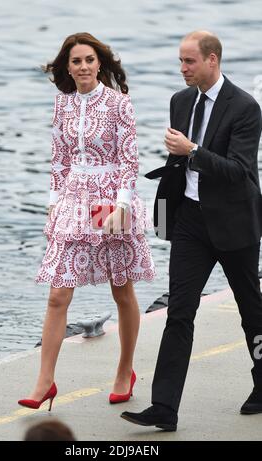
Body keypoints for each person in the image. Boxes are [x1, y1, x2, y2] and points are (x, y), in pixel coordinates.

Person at [121, 30, 262, 431]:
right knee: (179, 312)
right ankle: (164, 407)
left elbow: (239, 171)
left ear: (212, 60)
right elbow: (177, 163)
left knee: (252, 310)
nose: (182, 69)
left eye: (189, 62)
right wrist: (165, 212)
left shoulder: (245, 107)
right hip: (190, 223)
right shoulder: (180, 101)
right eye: (180, 61)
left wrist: (194, 152)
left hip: (235, 222)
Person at [18, 33, 155, 411]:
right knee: (59, 290)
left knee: (121, 289)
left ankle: (125, 370)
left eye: (89, 60)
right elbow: (59, 159)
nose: (83, 67)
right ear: (67, 66)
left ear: (100, 64)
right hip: (74, 197)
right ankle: (45, 380)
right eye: (76, 61)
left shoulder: (118, 103)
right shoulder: (62, 105)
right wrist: (52, 203)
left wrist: (121, 207)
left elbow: (129, 161)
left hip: (110, 199)